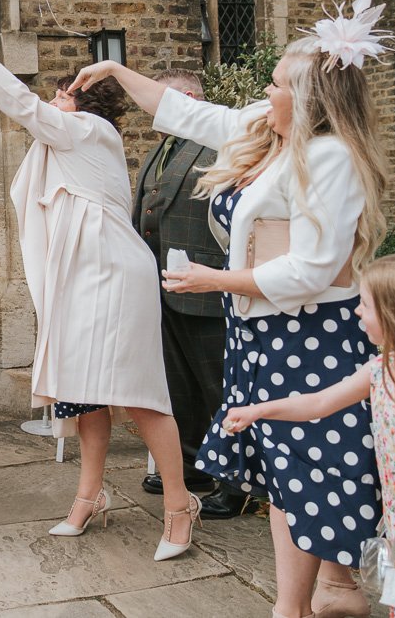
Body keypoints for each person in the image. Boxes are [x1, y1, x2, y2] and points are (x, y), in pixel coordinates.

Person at [69, 0, 390, 618]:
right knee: (284, 479)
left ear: (310, 100)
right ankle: (302, 599)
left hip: (311, 338)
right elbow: (193, 115)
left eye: (276, 84)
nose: (264, 93)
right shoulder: (275, 135)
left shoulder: (332, 159)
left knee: (316, 476)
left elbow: (313, 268)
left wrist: (216, 282)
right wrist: (112, 69)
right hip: (262, 336)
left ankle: (322, 592)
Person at [0, 6, 199, 562]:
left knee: (139, 392)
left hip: (111, 273)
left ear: (82, 104)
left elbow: (24, 106)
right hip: (78, 276)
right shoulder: (65, 142)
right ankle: (90, 495)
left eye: (60, 96)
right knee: (83, 395)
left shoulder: (91, 130)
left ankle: (180, 505)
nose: (52, 105)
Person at [224, 251, 395, 618]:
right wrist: (259, 410)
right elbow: (320, 402)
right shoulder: (380, 370)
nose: (357, 311)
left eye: (366, 306)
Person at [132, 70, 256, 520]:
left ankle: (238, 481)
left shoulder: (221, 142)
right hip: (163, 288)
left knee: (218, 386)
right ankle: (193, 465)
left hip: (207, 287)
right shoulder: (160, 150)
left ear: (186, 99)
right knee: (178, 386)